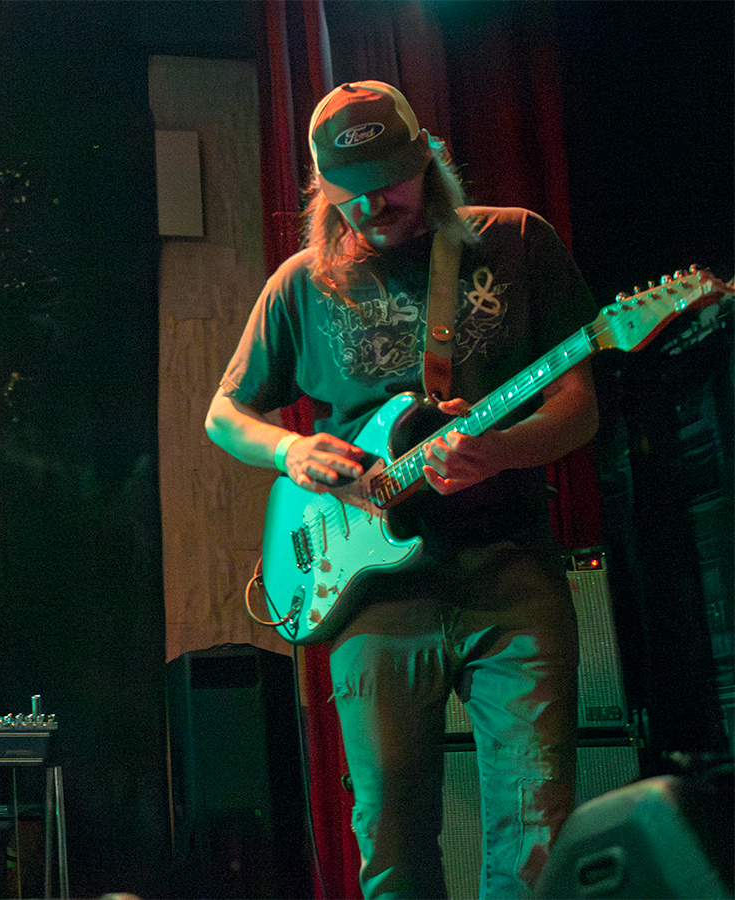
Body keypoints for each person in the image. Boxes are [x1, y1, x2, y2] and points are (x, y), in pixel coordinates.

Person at [206, 82, 597, 899]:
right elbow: (224, 414)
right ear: (322, 187)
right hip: (370, 592)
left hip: (509, 567)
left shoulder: (517, 242)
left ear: (428, 161)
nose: (372, 204)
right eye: (349, 190)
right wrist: (289, 450)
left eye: (389, 180)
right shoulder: (301, 284)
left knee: (537, 826)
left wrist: (499, 450)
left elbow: (578, 407)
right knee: (389, 834)